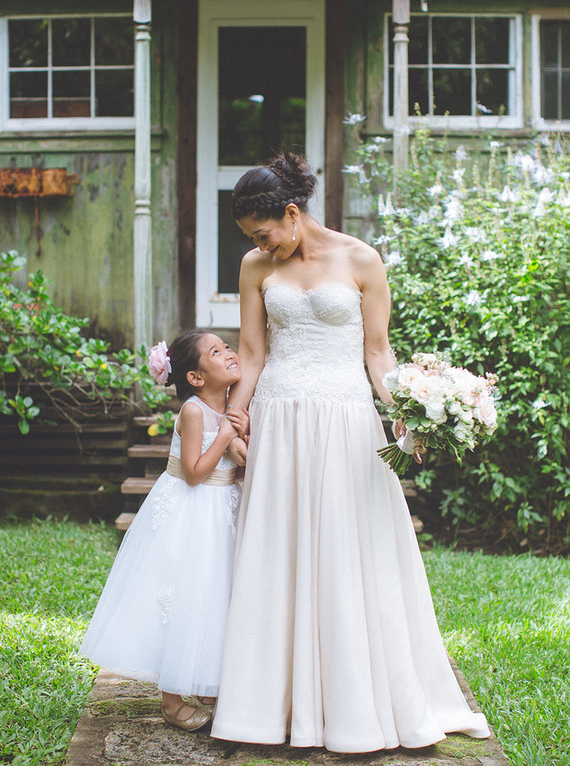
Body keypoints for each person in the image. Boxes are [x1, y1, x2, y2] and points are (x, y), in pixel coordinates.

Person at [211, 152, 490, 753]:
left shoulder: (361, 258)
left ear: (292, 213)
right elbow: (253, 354)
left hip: (346, 418)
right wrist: (236, 413)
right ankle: (271, 704)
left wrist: (404, 423)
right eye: (253, 240)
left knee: (349, 544)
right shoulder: (254, 267)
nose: (262, 246)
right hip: (281, 418)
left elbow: (379, 353)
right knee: (279, 549)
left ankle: (356, 700)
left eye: (265, 234)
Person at [80, 330, 247, 732]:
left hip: (221, 509)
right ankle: (171, 699)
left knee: (214, 596)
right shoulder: (194, 412)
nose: (229, 352)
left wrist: (240, 441)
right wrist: (227, 435)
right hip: (190, 513)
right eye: (216, 351)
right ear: (195, 378)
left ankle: (205, 682)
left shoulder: (233, 404)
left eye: (226, 346)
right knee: (182, 596)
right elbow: (192, 474)